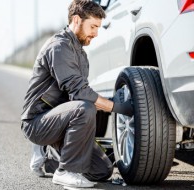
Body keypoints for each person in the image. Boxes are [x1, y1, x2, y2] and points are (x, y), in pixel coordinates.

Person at [21, 0, 133, 188]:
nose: (96, 33)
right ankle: (66, 172)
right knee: (84, 108)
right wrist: (116, 107)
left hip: (60, 120)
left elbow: (78, 95)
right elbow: (80, 93)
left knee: (102, 170)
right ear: (76, 19)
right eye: (93, 26)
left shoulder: (81, 55)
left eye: (98, 27)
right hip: (37, 122)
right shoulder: (59, 47)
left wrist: (110, 102)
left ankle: (48, 157)